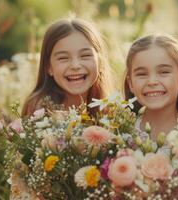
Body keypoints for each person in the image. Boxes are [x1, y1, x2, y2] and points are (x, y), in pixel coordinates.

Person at [11, 17, 112, 200]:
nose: (75, 65)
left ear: (99, 60)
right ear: (49, 67)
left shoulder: (109, 111)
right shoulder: (40, 115)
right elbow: (26, 188)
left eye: (85, 55)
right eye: (64, 58)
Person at [123, 34, 178, 140]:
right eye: (142, 74)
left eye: (163, 72)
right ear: (130, 84)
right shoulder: (119, 133)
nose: (152, 82)